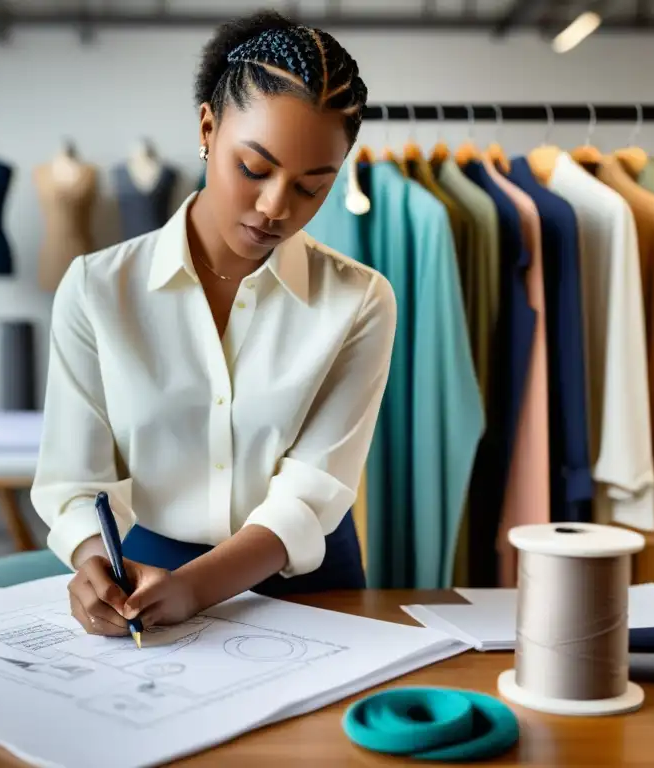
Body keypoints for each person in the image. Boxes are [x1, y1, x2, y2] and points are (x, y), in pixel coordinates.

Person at [31, 10, 394, 637]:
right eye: (254, 169)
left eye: (311, 187)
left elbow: (312, 491)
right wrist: (94, 563)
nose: (275, 207)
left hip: (311, 588)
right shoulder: (96, 290)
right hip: (144, 574)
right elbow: (72, 480)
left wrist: (195, 590)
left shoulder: (359, 301)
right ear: (208, 126)